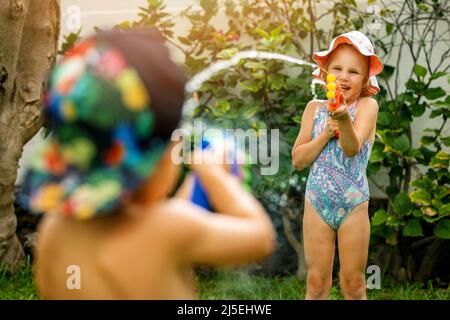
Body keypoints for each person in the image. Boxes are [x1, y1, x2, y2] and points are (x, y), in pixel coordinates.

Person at [20, 29, 275, 299]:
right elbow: (259, 237)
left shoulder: (55, 233)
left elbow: (168, 219)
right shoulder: (171, 229)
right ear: (158, 155)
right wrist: (215, 177)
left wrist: (195, 184)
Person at [291, 31, 383, 300]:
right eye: (337, 69)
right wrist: (326, 133)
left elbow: (352, 148)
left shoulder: (367, 106)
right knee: (317, 282)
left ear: (366, 78)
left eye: (354, 71)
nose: (344, 76)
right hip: (317, 202)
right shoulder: (314, 108)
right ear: (325, 73)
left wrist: (343, 119)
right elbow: (298, 160)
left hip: (352, 204)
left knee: (353, 283)